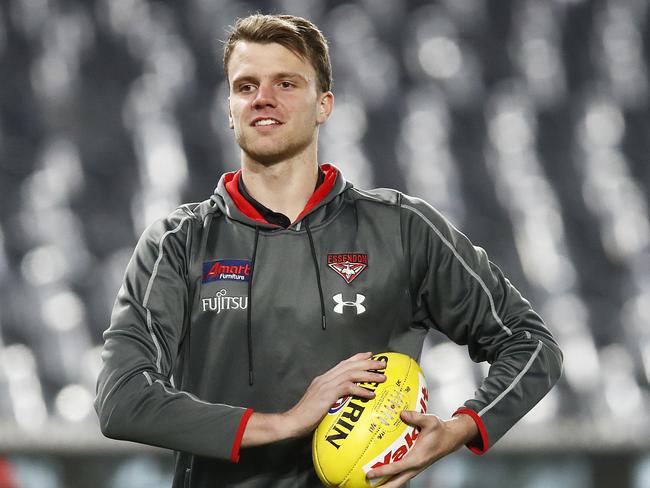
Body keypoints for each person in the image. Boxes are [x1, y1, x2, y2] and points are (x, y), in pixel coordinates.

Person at [95, 13, 563, 488]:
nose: (263, 98)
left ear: (324, 104)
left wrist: (461, 429)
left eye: (286, 83)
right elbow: (121, 398)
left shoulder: (402, 228)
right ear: (229, 109)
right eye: (245, 86)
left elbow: (530, 344)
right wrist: (288, 421)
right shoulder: (177, 242)